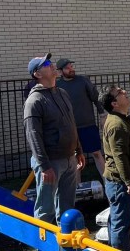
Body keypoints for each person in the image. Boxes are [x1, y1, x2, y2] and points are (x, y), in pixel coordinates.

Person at [23, 53, 85, 224]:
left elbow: (71, 123)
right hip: (50, 164)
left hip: (69, 158)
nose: (51, 65)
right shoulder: (34, 101)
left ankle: (65, 246)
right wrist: (44, 166)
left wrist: (78, 150)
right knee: (45, 210)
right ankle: (43, 244)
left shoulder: (62, 93)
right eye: (46, 64)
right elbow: (33, 135)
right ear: (37, 74)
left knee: (67, 208)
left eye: (50, 62)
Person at [100, 84, 130, 251]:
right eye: (119, 93)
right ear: (114, 103)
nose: (125, 92)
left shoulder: (122, 119)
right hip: (120, 184)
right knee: (121, 225)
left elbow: (126, 146)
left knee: (116, 219)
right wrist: (129, 181)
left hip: (118, 183)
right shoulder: (116, 124)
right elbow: (120, 156)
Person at [56, 58, 106, 179]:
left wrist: (102, 115)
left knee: (97, 153)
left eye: (71, 66)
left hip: (87, 125)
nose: (71, 69)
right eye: (67, 68)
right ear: (60, 71)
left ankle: (108, 183)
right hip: (70, 128)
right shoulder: (58, 86)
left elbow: (96, 97)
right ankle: (77, 188)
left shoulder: (83, 81)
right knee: (74, 158)